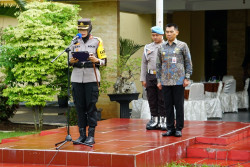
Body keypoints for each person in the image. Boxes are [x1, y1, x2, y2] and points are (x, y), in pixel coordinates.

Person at [69, 18, 107, 145]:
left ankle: (91, 135)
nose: (82, 31)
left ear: (89, 28)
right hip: (76, 77)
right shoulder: (74, 41)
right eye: (80, 29)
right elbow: (69, 61)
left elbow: (104, 61)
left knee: (91, 107)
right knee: (79, 107)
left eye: (84, 29)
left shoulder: (97, 41)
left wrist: (96, 60)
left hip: (91, 77)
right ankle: (81, 135)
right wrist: (72, 61)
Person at [156, 23, 192, 137]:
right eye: (167, 32)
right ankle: (170, 128)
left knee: (178, 105)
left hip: (178, 81)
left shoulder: (182, 46)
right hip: (165, 81)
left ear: (176, 32)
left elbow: (188, 62)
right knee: (167, 106)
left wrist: (187, 77)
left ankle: (179, 128)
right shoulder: (161, 47)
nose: (169, 34)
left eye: (171, 32)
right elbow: (158, 65)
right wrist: (158, 80)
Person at [140, 26, 166, 130]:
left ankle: (164, 121)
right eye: (153, 35)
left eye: (157, 35)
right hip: (150, 75)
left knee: (162, 99)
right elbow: (144, 63)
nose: (155, 37)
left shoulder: (166, 46)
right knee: (152, 98)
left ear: (162, 35)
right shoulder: (148, 47)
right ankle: (154, 119)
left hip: (163, 76)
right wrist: (143, 78)